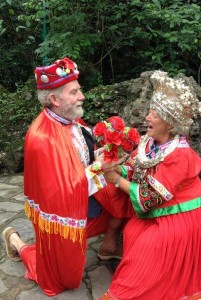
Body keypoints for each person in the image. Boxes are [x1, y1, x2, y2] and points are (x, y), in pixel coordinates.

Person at [2, 57, 132, 296]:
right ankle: (17, 243)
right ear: (54, 99)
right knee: (60, 281)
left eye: (79, 89)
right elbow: (59, 192)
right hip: (61, 211)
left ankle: (108, 245)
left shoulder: (71, 120)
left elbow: (78, 158)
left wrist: (103, 153)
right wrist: (100, 168)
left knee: (127, 198)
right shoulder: (42, 138)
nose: (82, 96)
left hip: (83, 196)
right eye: (75, 92)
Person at [100, 71, 201, 300]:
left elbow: (150, 196)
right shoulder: (151, 141)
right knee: (132, 230)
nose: (147, 117)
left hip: (181, 217)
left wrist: (116, 181)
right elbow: (135, 169)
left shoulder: (181, 156)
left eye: (155, 114)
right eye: (150, 110)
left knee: (146, 248)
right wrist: (115, 169)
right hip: (158, 212)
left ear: (170, 124)